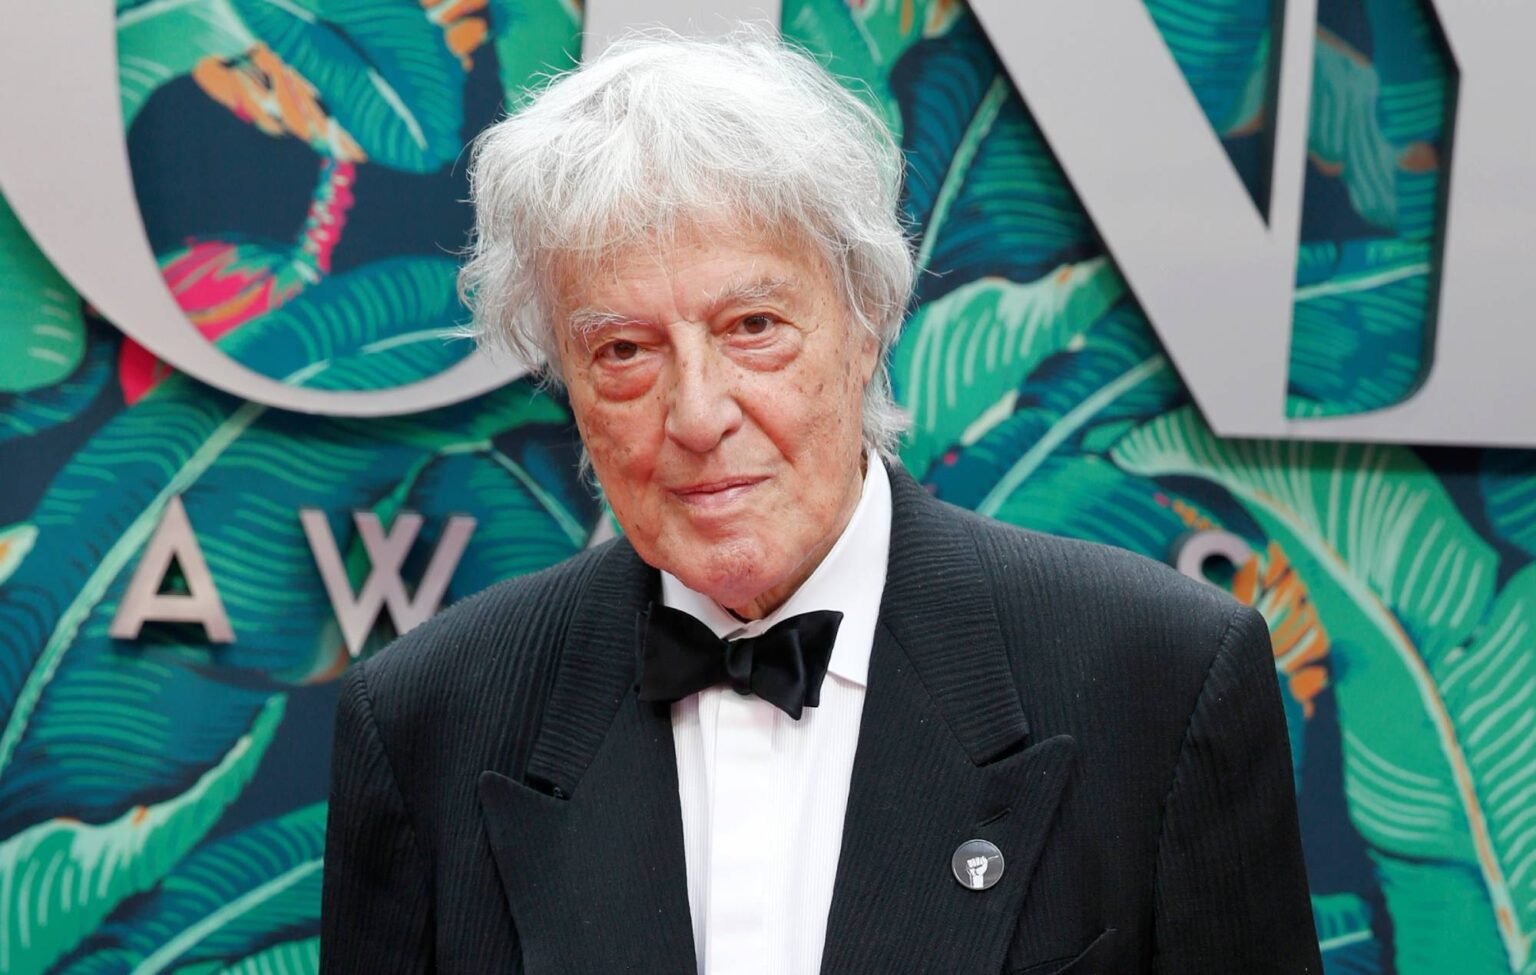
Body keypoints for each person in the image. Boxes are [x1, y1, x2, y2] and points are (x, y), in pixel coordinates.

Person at [319, 27, 1321, 975]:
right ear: (567, 385)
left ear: (868, 320)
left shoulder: (1157, 680)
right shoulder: (426, 724)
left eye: (753, 326)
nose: (698, 414)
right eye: (623, 349)